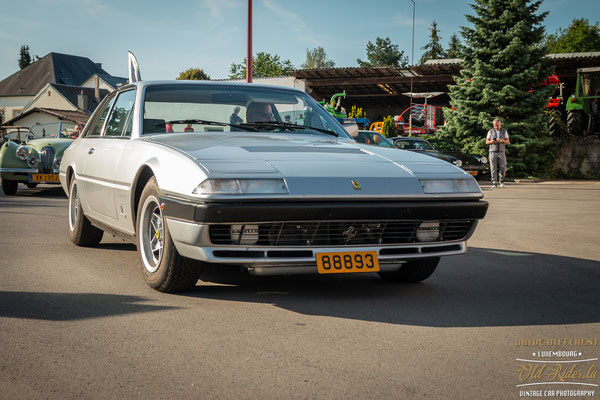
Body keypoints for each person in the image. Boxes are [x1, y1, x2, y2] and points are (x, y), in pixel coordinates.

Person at [486, 118, 510, 188]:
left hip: (501, 152)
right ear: (493, 125)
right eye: (495, 125)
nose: (496, 127)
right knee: (493, 168)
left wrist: (502, 140)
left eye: (497, 125)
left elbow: (508, 141)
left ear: (500, 124)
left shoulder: (504, 131)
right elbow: (486, 141)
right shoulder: (490, 131)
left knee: (503, 167)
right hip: (492, 152)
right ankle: (494, 183)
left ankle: (501, 181)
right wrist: (491, 142)